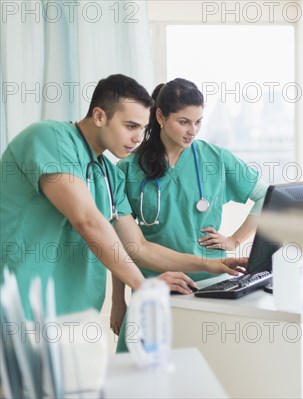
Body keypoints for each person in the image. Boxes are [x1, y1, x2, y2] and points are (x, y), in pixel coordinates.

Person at [0, 74, 246, 318]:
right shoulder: (49, 138)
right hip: (17, 310)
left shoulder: (110, 176)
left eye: (141, 128)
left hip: (73, 316)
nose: (138, 138)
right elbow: (86, 220)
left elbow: (137, 247)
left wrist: (209, 264)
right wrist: (143, 285)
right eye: (130, 126)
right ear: (99, 116)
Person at [111, 78, 267, 347]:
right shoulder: (128, 170)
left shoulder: (215, 159)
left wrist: (234, 240)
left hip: (213, 287)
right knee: (142, 379)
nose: (192, 130)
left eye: (198, 122)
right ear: (159, 116)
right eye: (183, 122)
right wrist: (118, 301)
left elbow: (265, 196)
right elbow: (122, 244)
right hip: (157, 287)